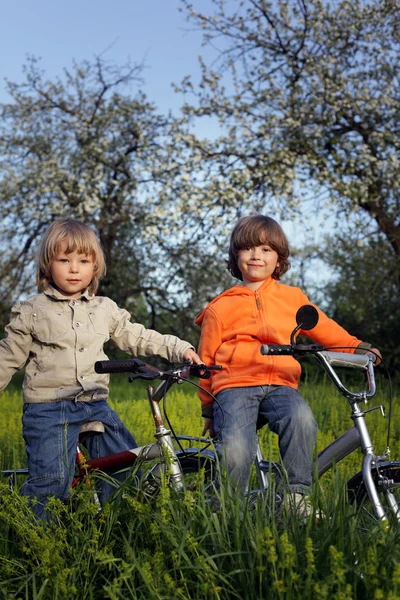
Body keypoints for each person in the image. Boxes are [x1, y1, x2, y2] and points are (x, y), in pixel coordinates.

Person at [0, 218, 202, 520]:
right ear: (47, 264)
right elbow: (8, 357)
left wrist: (180, 348)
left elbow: (138, 336)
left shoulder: (104, 309)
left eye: (83, 260)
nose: (73, 268)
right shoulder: (32, 310)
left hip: (96, 404)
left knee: (124, 468)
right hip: (49, 409)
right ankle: (40, 545)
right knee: (52, 481)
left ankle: (117, 529)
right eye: (64, 260)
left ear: (94, 267)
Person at [195, 214, 381, 516]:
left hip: (281, 383)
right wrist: (208, 408)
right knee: (236, 450)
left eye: (267, 249)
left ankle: (297, 497)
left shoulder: (292, 299)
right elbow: (205, 361)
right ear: (235, 256)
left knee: (302, 419)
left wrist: (357, 348)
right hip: (233, 386)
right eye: (249, 248)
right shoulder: (220, 307)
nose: (257, 255)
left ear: (278, 259)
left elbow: (325, 329)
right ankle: (224, 510)